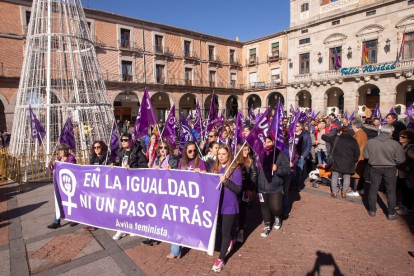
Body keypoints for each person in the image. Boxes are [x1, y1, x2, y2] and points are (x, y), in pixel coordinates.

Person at [167, 141, 206, 258]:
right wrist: (170, 171)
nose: (193, 153)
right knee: (177, 223)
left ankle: (197, 242)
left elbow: (206, 181)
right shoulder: (181, 162)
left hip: (194, 200)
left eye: (195, 150)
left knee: (190, 224)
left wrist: (202, 174)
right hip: (182, 198)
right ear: (185, 152)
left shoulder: (200, 163)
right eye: (190, 151)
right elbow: (177, 178)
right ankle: (175, 251)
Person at [363, 124, 406, 220]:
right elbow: (401, 159)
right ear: (390, 132)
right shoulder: (395, 144)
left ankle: (372, 210)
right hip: (390, 167)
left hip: (375, 166)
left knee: (373, 188)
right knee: (390, 190)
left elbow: (366, 156)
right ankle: (391, 213)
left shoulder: (371, 142)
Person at [211, 145, 242, 272]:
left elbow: (238, 189)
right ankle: (231, 238)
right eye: (219, 154)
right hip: (218, 204)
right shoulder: (215, 168)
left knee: (225, 232)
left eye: (224, 154)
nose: (221, 156)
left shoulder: (236, 170)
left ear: (229, 154)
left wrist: (226, 182)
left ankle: (221, 259)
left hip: (229, 205)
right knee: (222, 229)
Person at [113, 133, 147, 240]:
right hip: (123, 183)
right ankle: (122, 228)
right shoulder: (121, 152)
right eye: (122, 140)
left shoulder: (137, 152)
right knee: (122, 205)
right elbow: (118, 165)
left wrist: (132, 168)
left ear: (131, 141)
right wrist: (113, 165)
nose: (123, 142)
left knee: (133, 205)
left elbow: (144, 167)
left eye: (126, 140)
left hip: (134, 184)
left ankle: (132, 226)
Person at [258, 135, 290, 237]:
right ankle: (267, 226)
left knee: (275, 207)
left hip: (275, 187)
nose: (266, 144)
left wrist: (277, 169)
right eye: (264, 142)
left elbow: (287, 170)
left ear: (273, 142)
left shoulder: (280, 155)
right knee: (264, 207)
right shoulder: (259, 154)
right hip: (261, 186)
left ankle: (277, 216)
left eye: (268, 142)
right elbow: (254, 170)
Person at [82, 141, 115, 231]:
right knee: (94, 204)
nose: (96, 149)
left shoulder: (108, 157)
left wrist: (112, 166)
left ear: (102, 147)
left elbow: (113, 169)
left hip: (105, 185)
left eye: (98, 147)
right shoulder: (93, 157)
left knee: (103, 204)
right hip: (95, 184)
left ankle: (104, 221)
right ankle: (94, 223)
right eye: (95, 147)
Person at [322, 126, 360, 198]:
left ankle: (334, 192)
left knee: (335, 176)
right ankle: (344, 192)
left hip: (337, 161)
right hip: (349, 162)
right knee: (347, 177)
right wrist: (354, 160)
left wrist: (323, 133)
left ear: (341, 132)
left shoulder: (336, 138)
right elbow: (357, 153)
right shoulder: (353, 140)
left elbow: (325, 138)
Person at [47, 144, 77, 229]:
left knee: (71, 201)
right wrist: (50, 165)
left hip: (69, 183)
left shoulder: (71, 158)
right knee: (59, 202)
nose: (63, 152)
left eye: (65, 150)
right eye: (61, 150)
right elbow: (54, 171)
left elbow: (72, 168)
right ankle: (56, 221)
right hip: (60, 184)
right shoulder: (58, 159)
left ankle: (75, 219)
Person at [235, 144, 258, 243]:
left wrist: (250, 189)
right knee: (235, 209)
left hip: (245, 189)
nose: (247, 151)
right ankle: (235, 227)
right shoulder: (235, 160)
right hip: (236, 189)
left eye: (248, 149)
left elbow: (254, 175)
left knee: (243, 209)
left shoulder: (251, 160)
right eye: (244, 150)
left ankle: (241, 230)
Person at [347, 119, 368, 196]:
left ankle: (355, 190)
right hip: (361, 155)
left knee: (357, 174)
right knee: (360, 174)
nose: (352, 127)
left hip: (358, 156)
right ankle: (360, 188)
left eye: (352, 125)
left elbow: (355, 145)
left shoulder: (359, 134)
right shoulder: (361, 133)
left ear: (355, 126)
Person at [396, 130, 414, 216]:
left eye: (403, 137)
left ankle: (408, 207)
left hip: (407, 173)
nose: (400, 138)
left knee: (407, 190)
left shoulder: (410, 148)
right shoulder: (402, 146)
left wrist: (409, 166)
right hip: (401, 171)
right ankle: (403, 205)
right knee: (402, 189)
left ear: (409, 139)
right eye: (400, 136)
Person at [291, 122, 312, 192]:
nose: (295, 127)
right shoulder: (291, 134)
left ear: (301, 127)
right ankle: (291, 184)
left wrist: (303, 155)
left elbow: (309, 145)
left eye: (296, 126)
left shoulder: (306, 135)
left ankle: (297, 185)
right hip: (292, 156)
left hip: (301, 155)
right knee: (291, 171)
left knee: (299, 171)